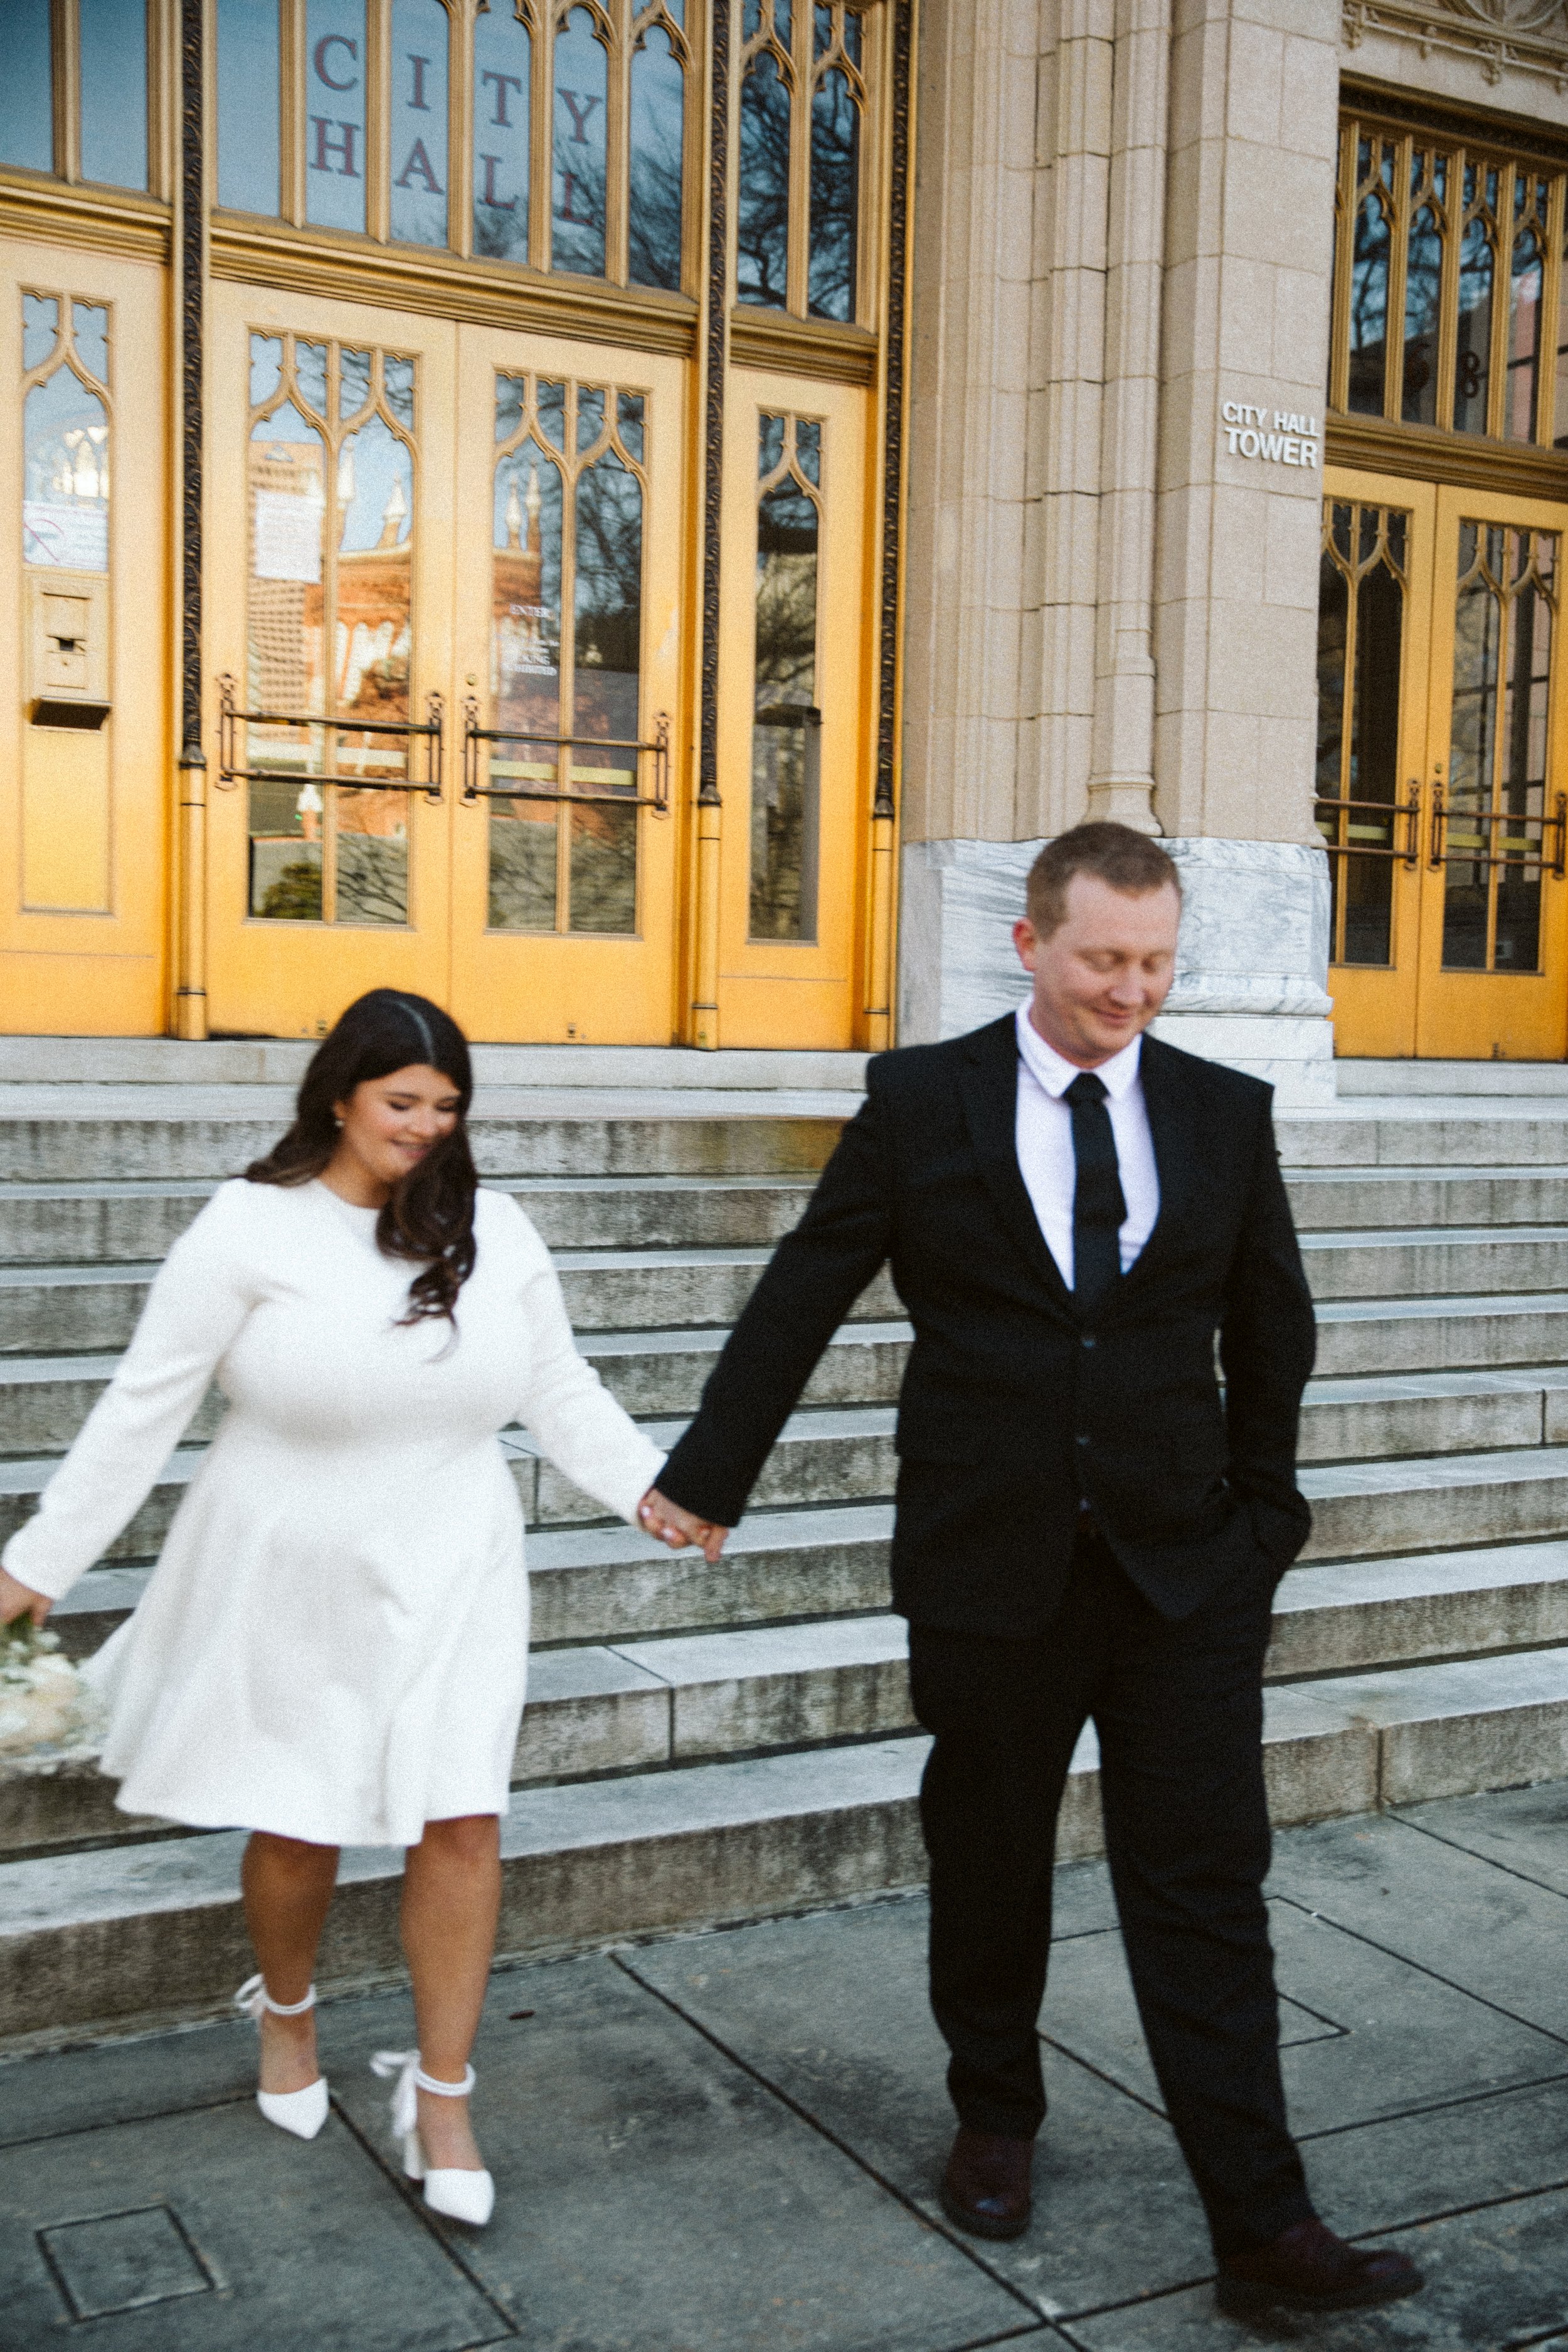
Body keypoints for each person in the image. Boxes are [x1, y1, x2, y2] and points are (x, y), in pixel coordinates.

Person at [640, 824, 1423, 2319]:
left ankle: (1262, 2225)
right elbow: (811, 1281)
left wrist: (1266, 1523)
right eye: (1103, 961)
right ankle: (995, 2113)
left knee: (1204, 1892)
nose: (1132, 991)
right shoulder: (919, 1099)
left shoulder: (1219, 1110)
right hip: (986, 1568)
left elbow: (1272, 1324)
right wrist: (706, 1474)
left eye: (1155, 963)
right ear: (1029, 945)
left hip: (1181, 1574)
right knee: (990, 1859)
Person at [0, 990, 714, 2228]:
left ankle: (441, 2096)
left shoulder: (497, 1229)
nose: (427, 1128)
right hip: (288, 1559)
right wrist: (36, 1566)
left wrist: (658, 1492)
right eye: (401, 1104)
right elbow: (140, 1408)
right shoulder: (247, 1228)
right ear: (338, 1096)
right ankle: (286, 2016)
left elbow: (562, 1389)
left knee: (462, 1826)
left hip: (454, 1557)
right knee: (298, 1825)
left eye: (447, 1108)